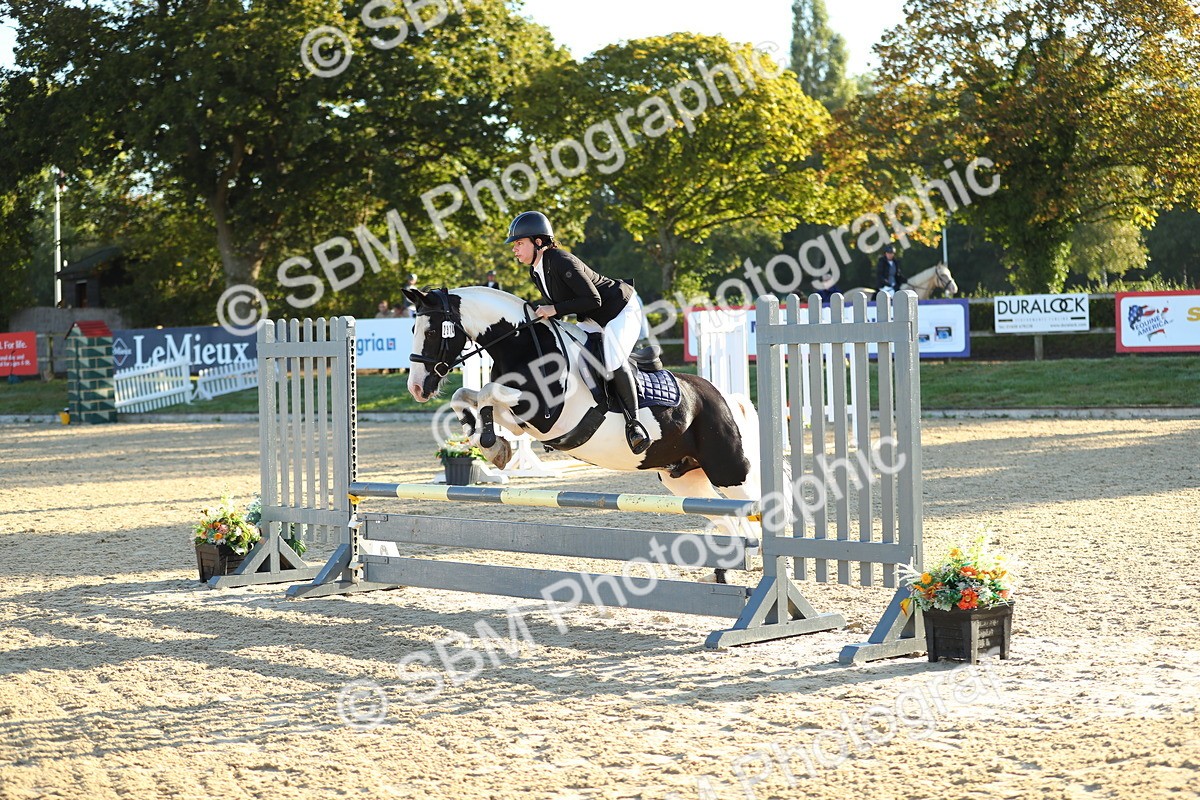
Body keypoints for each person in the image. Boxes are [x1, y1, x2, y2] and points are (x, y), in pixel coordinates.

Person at [505, 210, 651, 454]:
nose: (515, 249)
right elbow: (564, 306)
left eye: (519, 243)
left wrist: (553, 309)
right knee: (568, 355)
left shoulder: (561, 260)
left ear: (538, 242)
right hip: (592, 316)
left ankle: (634, 423)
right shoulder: (536, 270)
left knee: (613, 359)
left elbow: (593, 299)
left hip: (620, 310)